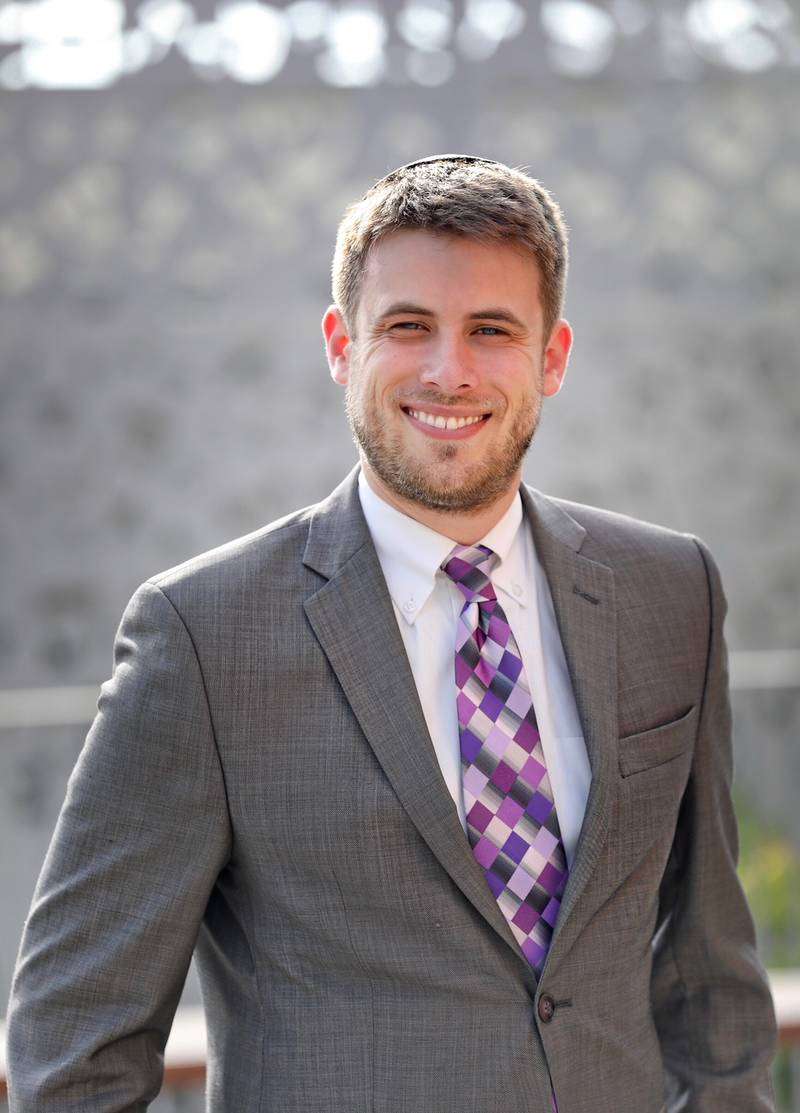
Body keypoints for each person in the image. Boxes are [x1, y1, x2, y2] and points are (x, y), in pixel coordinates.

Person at [7, 155, 777, 1112]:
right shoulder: (202, 639)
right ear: (341, 344)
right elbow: (75, 1045)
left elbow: (709, 973)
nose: (448, 369)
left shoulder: (672, 593)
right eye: (408, 325)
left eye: (491, 330)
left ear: (553, 356)